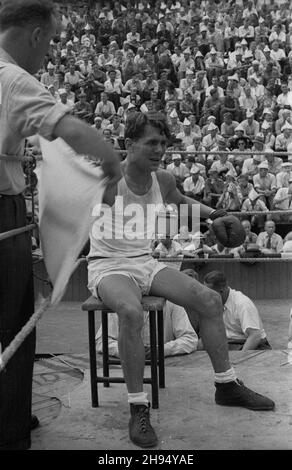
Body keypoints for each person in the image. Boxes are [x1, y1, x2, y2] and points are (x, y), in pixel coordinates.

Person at [87, 112, 274, 449]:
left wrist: (215, 214)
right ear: (129, 144)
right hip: (108, 265)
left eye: (163, 143)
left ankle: (226, 385)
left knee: (210, 301)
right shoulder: (107, 180)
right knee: (130, 312)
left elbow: (181, 202)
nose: (160, 149)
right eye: (151, 143)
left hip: (145, 262)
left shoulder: (164, 180)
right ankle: (137, 406)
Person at [0, 0, 121, 451]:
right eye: (48, 43)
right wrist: (110, 162)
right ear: (34, 35)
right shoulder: (12, 78)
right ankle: (7, 427)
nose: (48, 54)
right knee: (11, 321)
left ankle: (9, 412)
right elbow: (69, 129)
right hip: (1, 206)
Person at [96, 269, 200, 359]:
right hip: (126, 364)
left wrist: (161, 350)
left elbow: (190, 339)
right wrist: (129, 351)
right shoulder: (119, 304)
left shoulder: (172, 303)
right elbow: (101, 342)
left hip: (165, 365)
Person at [203, 271, 272, 351]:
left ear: (222, 289)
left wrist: (240, 358)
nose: (206, 295)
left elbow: (255, 336)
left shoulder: (242, 303)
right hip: (230, 343)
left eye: (209, 292)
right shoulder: (214, 301)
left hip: (253, 345)